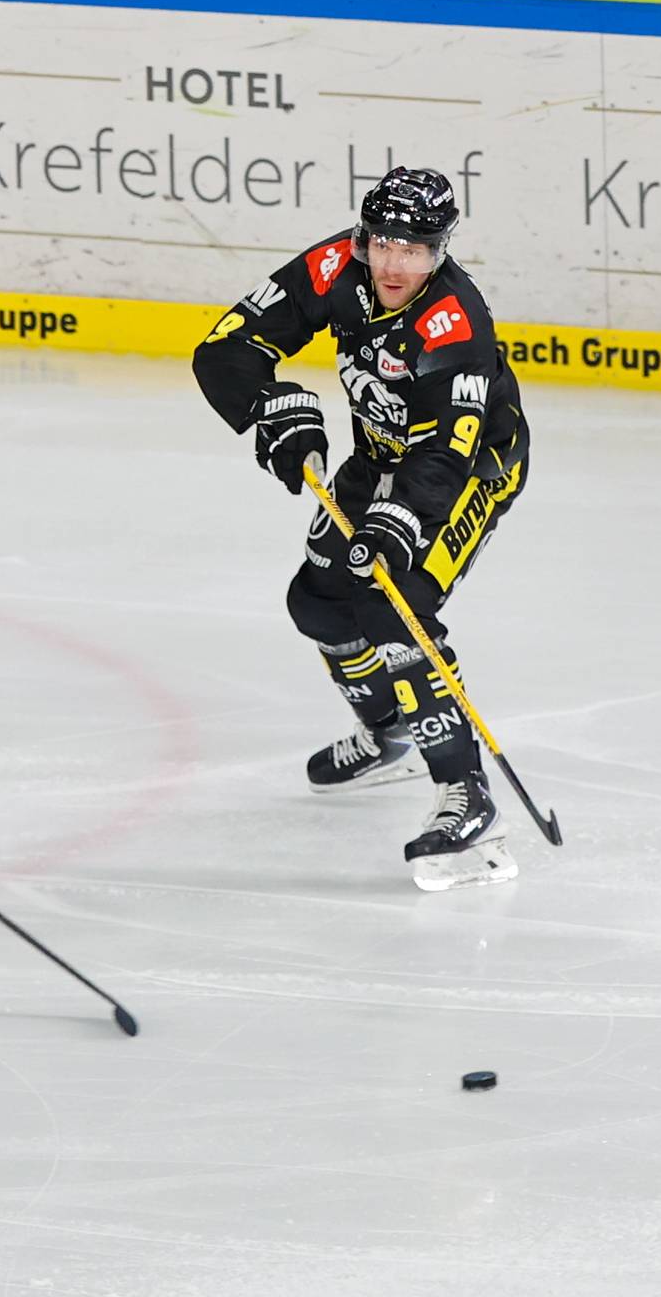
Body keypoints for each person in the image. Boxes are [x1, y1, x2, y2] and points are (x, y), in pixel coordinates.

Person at [191, 167, 531, 892]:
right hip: (378, 456)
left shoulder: (456, 323)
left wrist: (399, 525)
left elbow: (447, 455)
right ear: (363, 238)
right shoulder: (333, 267)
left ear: (440, 250)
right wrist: (271, 406)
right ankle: (390, 733)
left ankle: (469, 797)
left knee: (390, 601)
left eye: (416, 249)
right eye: (383, 243)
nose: (394, 264)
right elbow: (226, 348)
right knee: (316, 603)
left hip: (469, 472)